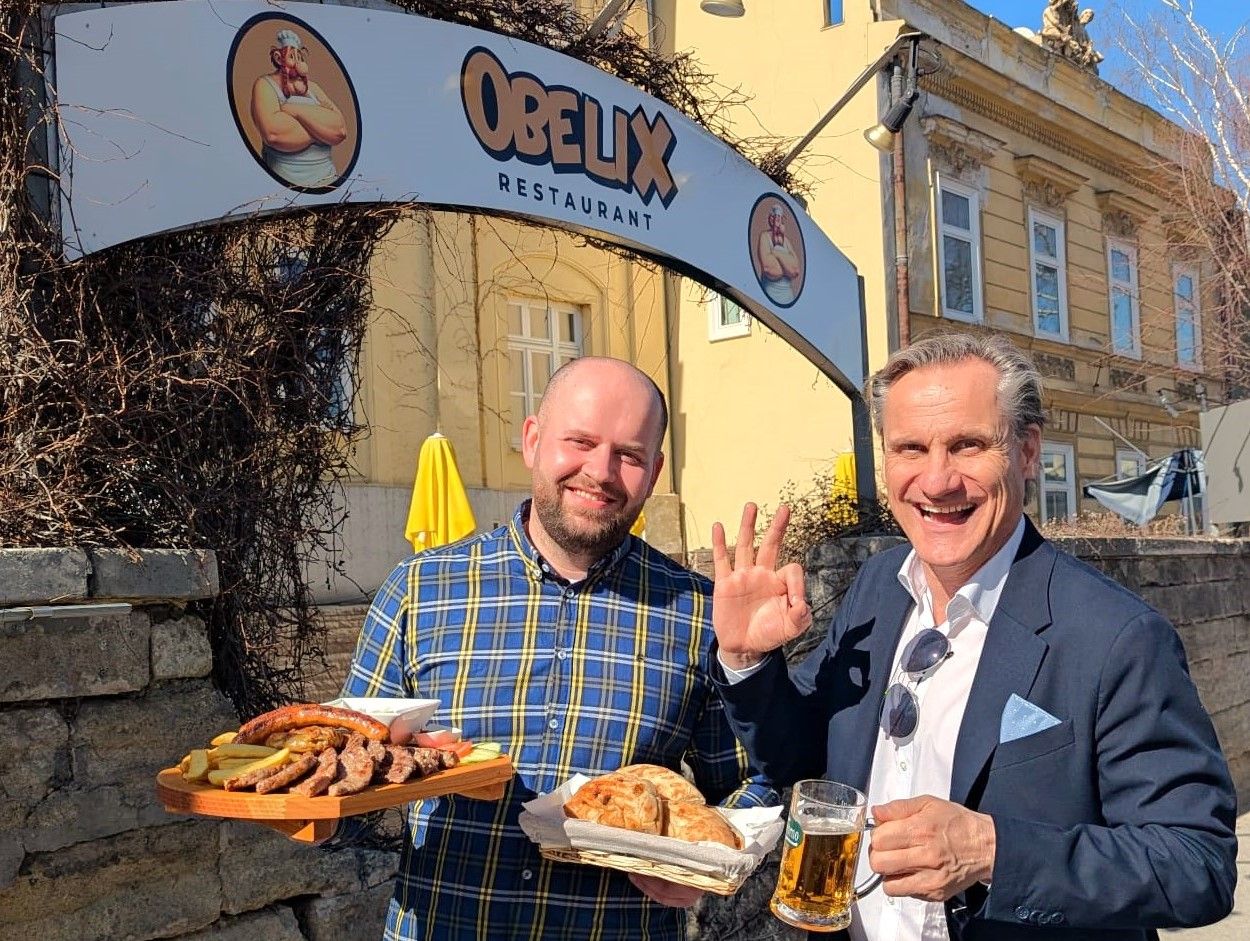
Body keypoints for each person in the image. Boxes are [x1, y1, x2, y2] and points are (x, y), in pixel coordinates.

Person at [709, 333, 1237, 940]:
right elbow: (805, 763)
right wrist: (750, 660)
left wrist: (991, 851)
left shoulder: (1117, 637)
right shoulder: (879, 586)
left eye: (967, 445)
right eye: (910, 448)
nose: (936, 481)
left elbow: (1197, 865)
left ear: (1028, 451)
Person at [341, 356, 776, 940]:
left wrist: (708, 868)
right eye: (581, 441)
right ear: (533, 440)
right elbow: (344, 766)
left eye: (629, 454)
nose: (601, 471)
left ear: (654, 471)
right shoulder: (419, 590)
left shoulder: (701, 612)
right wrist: (315, 807)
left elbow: (751, 782)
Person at [250, 28, 346, 188]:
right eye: (292, 57)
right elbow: (275, 135)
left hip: (328, 180)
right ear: (278, 58)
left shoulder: (313, 88)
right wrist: (322, 131)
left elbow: (340, 130)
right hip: (285, 185)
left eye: (300, 58)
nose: (300, 65)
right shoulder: (265, 85)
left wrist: (292, 110)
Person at [756, 204, 802, 305]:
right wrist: (787, 268)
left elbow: (795, 271)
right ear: (770, 218)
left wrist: (776, 251)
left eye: (779, 217)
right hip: (770, 297)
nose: (776, 220)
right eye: (774, 216)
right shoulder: (764, 237)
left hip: (788, 297)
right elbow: (770, 269)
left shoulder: (786, 242)